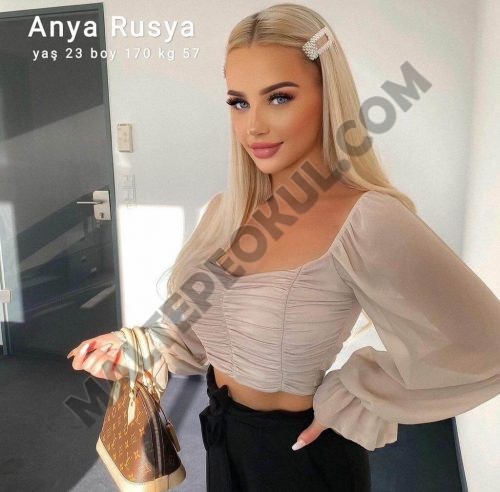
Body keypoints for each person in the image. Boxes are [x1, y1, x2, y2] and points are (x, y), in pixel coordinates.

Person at [67, 4, 500, 491]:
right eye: (239, 103)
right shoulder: (223, 213)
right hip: (222, 440)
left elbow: (486, 346)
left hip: (302, 459)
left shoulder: (365, 216)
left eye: (279, 98)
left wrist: (354, 394)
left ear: (326, 96)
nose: (253, 127)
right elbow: (204, 335)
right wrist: (138, 346)